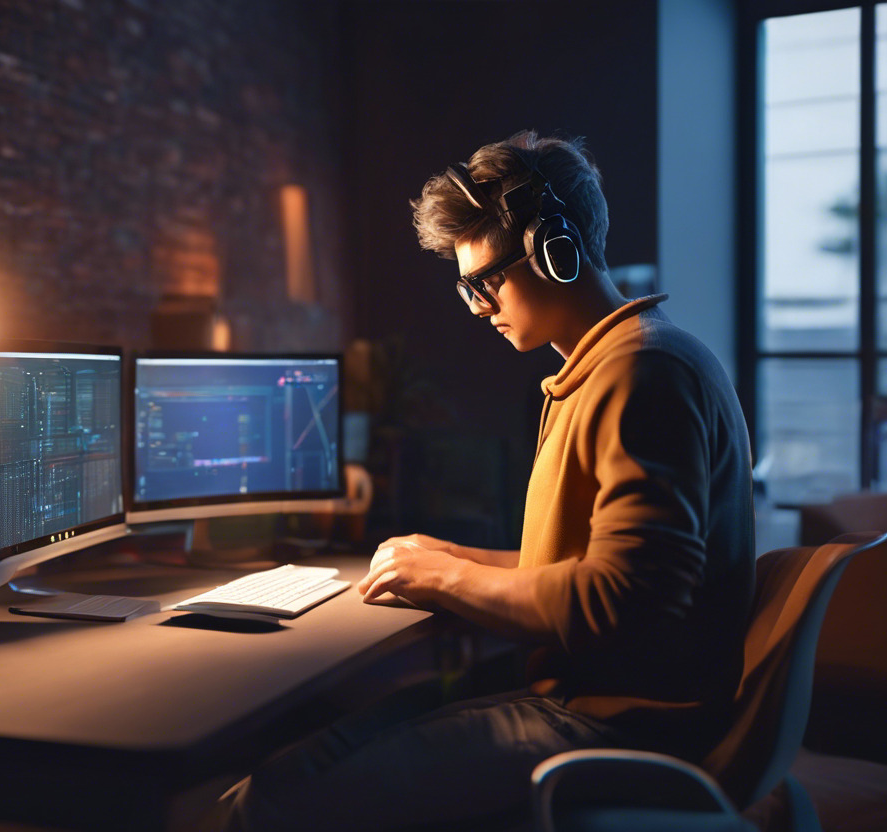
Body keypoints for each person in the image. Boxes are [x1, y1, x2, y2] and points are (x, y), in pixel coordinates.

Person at [212, 130, 755, 831]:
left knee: (268, 804)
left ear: (555, 250)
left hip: (617, 728)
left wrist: (442, 580)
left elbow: (621, 602)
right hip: (586, 699)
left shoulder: (641, 374)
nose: (475, 307)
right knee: (293, 765)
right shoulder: (615, 363)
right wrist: (450, 558)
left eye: (486, 281)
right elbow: (578, 568)